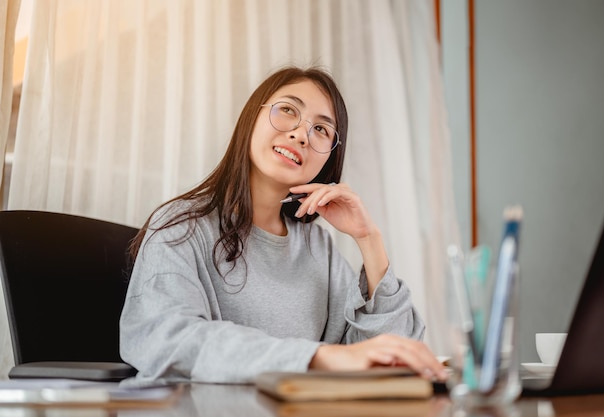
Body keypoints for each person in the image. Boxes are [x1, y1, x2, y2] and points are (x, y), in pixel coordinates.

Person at [119, 66, 447, 384]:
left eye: (321, 129)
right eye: (288, 110)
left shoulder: (318, 248)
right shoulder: (181, 226)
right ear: (252, 118)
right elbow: (168, 340)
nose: (301, 134)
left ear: (328, 159)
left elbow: (391, 357)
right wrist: (317, 358)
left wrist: (368, 239)